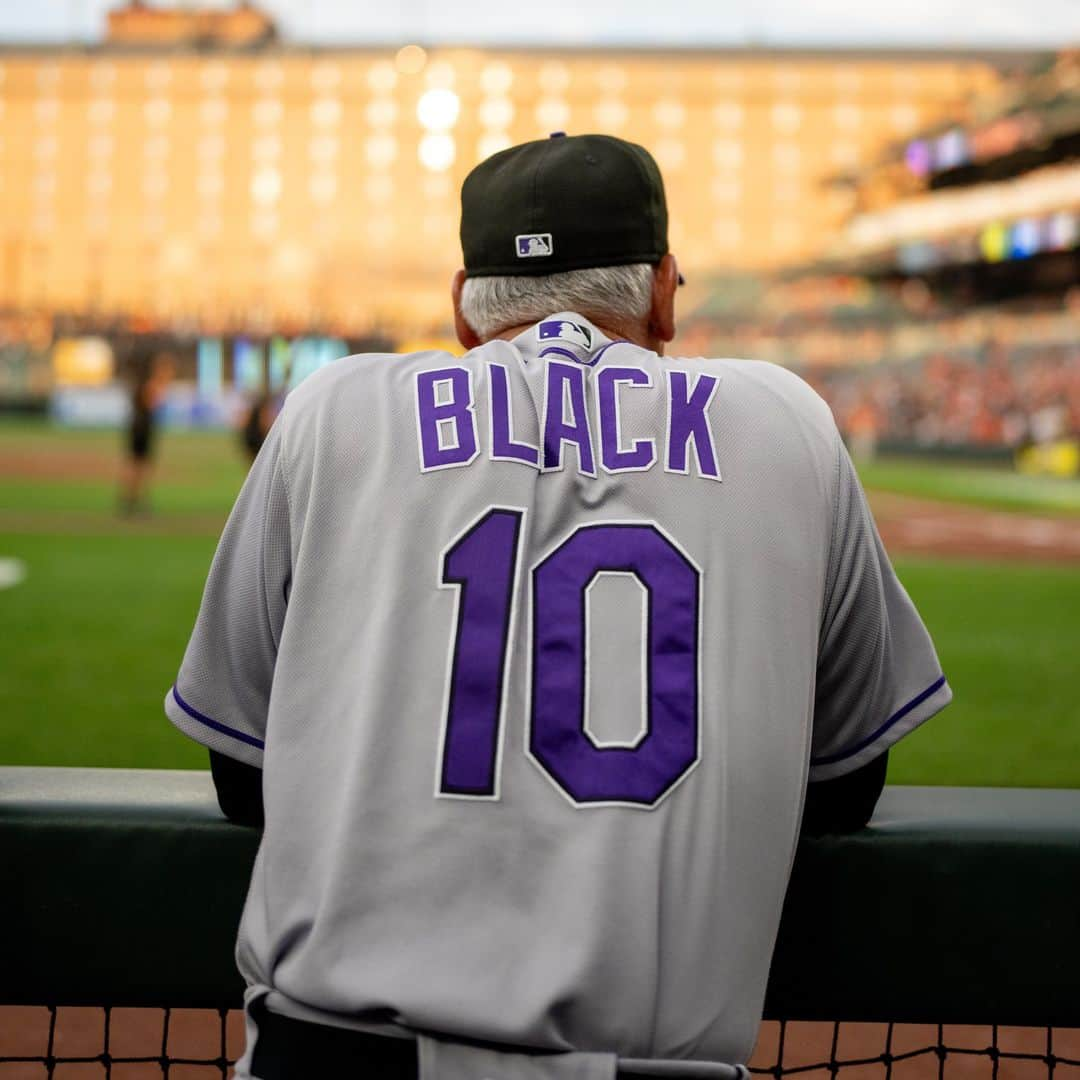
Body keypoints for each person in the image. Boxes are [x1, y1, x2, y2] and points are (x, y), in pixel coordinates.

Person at [165, 133, 951, 1080]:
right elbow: (845, 783)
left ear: (461, 305)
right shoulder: (786, 422)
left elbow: (242, 772)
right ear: (664, 291)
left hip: (328, 1056)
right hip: (655, 1068)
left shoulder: (334, 410)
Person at [118, 343, 174, 516]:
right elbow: (153, 404)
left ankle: (131, 500)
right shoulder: (149, 384)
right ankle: (135, 501)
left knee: (137, 466)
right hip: (142, 428)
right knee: (140, 467)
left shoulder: (140, 383)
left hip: (138, 427)